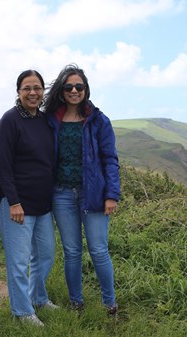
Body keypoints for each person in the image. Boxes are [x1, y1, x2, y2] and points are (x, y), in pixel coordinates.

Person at [44, 64, 120, 315]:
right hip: (62, 193)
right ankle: (76, 302)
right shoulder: (52, 119)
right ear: (62, 90)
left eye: (79, 86)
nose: (74, 90)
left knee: (99, 250)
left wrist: (112, 195)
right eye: (69, 87)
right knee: (72, 251)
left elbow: (110, 159)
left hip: (94, 194)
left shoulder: (98, 120)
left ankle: (109, 304)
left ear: (86, 89)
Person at [0, 69, 58, 327]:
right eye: (27, 88)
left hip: (42, 203)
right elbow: (4, 165)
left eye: (37, 88)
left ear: (43, 92)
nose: (33, 93)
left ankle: (39, 298)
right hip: (16, 204)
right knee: (19, 261)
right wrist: (13, 201)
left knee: (45, 255)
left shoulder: (45, 120)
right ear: (18, 92)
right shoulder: (10, 120)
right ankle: (22, 312)